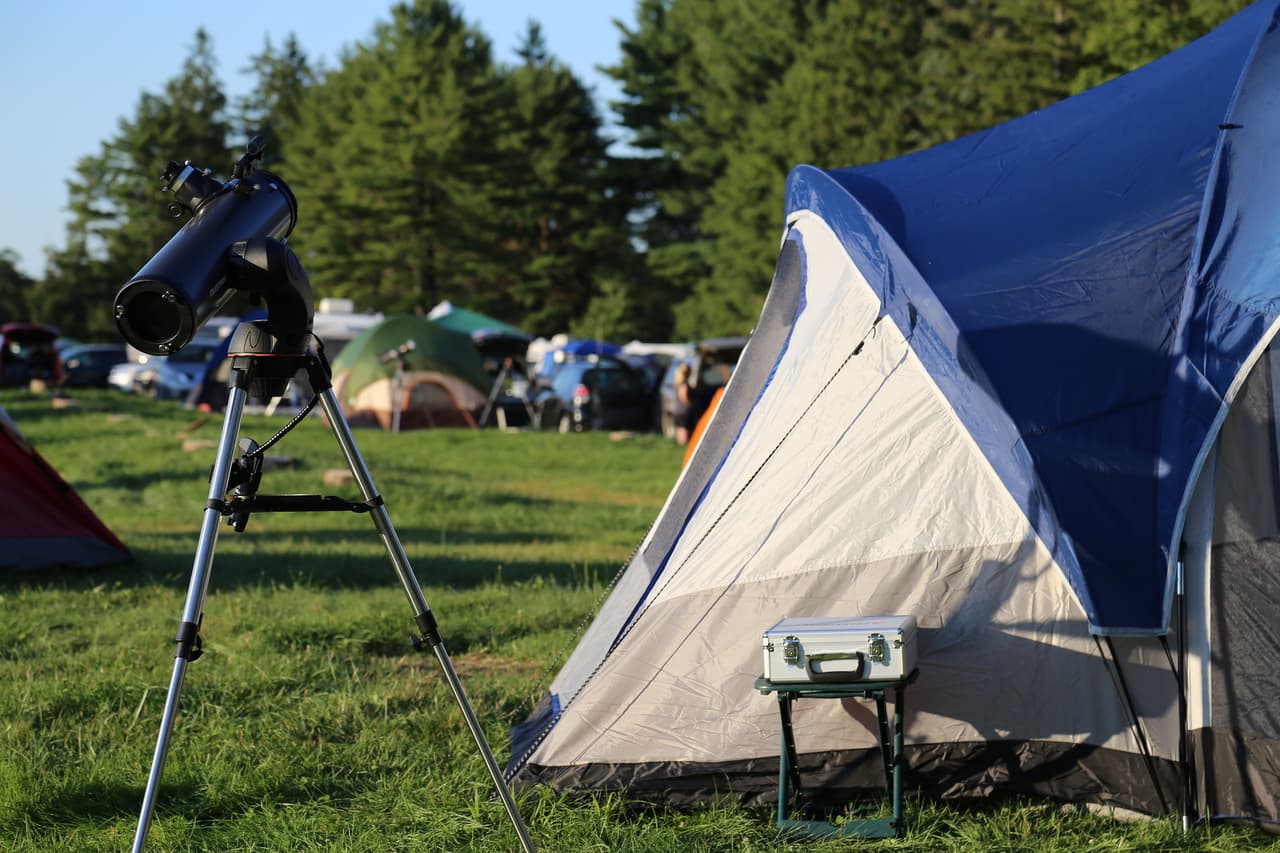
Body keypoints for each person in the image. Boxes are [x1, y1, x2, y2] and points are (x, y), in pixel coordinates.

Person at [673, 362, 694, 445]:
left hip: (678, 410)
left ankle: (680, 446)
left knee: (680, 429)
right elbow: (684, 397)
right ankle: (683, 445)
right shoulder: (684, 384)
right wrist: (691, 404)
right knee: (684, 430)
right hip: (684, 411)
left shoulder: (677, 382)